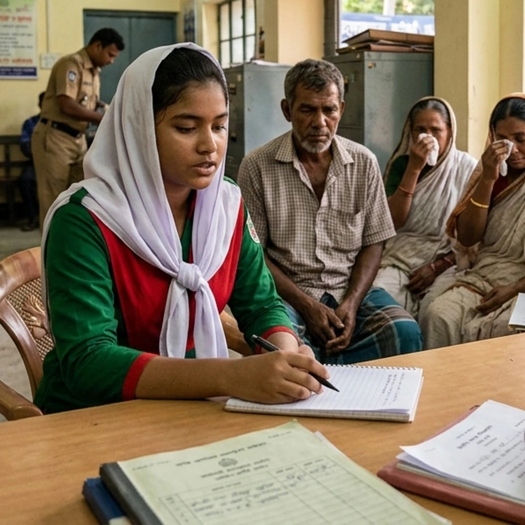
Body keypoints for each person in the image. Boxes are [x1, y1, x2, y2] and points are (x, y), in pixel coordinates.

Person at [33, 43, 328, 414]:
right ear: (138, 129)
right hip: (95, 416)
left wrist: (285, 357)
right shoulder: (86, 220)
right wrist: (232, 377)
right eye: (186, 128)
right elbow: (88, 362)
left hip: (193, 406)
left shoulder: (225, 206)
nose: (210, 146)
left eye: (219, 126)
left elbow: (261, 305)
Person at [238, 59, 422, 364]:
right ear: (287, 110)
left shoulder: (363, 163)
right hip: (287, 296)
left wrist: (350, 303)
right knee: (286, 351)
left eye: (329, 110)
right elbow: (255, 255)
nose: (320, 122)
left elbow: (374, 242)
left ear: (341, 109)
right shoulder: (257, 166)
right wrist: (307, 305)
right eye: (308, 110)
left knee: (403, 332)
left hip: (347, 289)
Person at [418, 95, 525, 348]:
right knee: (438, 316)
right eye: (502, 140)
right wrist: (487, 179)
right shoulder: (489, 170)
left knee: (504, 331)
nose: (512, 150)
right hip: (485, 274)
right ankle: (447, 385)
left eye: (521, 139)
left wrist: (518, 287)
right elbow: (467, 238)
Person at [373, 97, 478, 315]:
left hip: (449, 261)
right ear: (410, 133)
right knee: (379, 301)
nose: (428, 137)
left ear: (449, 132)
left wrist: (436, 267)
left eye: (436, 130)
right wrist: (413, 168)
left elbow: (472, 238)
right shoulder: (401, 165)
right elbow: (393, 221)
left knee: (435, 311)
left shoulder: (467, 168)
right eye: (421, 129)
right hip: (401, 258)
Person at [31, 28, 123, 225]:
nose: (111, 61)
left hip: (78, 139)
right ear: (97, 46)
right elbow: (67, 104)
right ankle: (50, 250)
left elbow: (91, 102)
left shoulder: (94, 72)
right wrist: (103, 119)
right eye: (110, 54)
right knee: (53, 199)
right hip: (55, 138)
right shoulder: (71, 64)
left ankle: (70, 242)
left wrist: (112, 110)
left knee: (79, 195)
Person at [18, 93, 43, 231]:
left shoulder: (67, 124)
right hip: (35, 162)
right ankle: (33, 217)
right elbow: (25, 147)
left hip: (59, 161)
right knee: (26, 180)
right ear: (40, 105)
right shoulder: (31, 123)